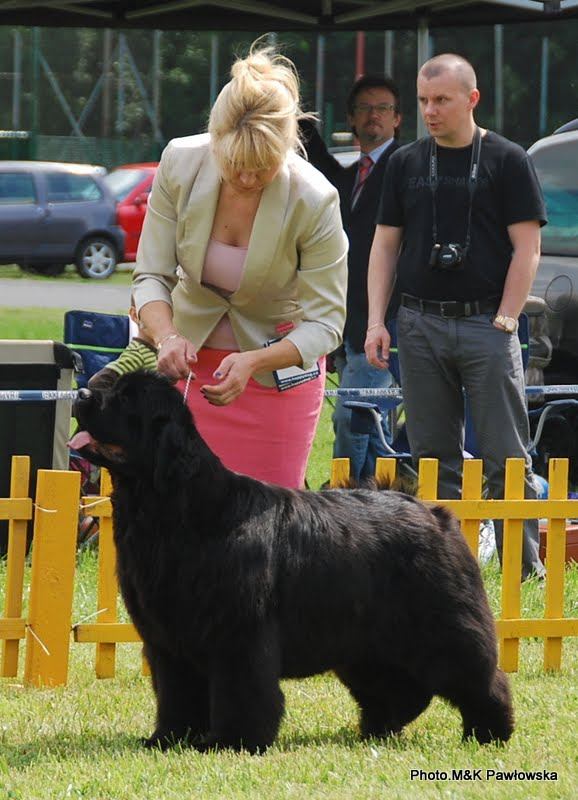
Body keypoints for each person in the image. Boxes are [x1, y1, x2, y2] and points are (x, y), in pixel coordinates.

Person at [132, 42, 348, 490]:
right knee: (176, 517)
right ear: (215, 140)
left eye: (263, 168)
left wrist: (254, 360)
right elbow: (150, 275)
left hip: (275, 376)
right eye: (236, 166)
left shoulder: (315, 197)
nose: (248, 178)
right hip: (187, 370)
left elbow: (326, 323)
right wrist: (167, 335)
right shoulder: (179, 161)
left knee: (267, 530)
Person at [365, 53, 547, 580]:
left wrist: (508, 318)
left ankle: (522, 567)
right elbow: (384, 246)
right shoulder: (404, 163)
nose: (430, 111)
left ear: (472, 99)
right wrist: (378, 321)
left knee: (505, 456)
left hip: (486, 322)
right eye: (423, 101)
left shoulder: (507, 159)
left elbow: (527, 248)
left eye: (441, 100)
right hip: (418, 323)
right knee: (431, 455)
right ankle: (444, 567)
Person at [300, 75, 402, 480]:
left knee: (353, 416)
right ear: (351, 118)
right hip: (342, 320)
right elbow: (317, 160)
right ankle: (379, 495)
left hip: (381, 324)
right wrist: (295, 115)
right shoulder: (348, 177)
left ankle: (345, 495)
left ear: (398, 119)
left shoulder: (404, 167)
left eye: (383, 109)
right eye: (364, 108)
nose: (373, 116)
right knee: (370, 424)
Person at [87, 297, 157, 391]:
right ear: (135, 315)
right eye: (154, 314)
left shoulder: (163, 350)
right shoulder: (138, 353)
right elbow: (98, 382)